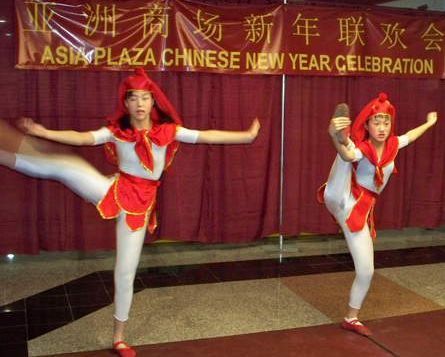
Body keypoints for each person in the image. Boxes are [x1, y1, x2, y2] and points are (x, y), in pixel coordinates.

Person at [0, 67, 260, 357]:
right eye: (133, 98)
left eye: (145, 98)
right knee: (63, 166)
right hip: (111, 190)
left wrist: (246, 136)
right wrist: (42, 131)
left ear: (153, 102)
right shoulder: (118, 132)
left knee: (125, 273)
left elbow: (207, 135)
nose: (139, 104)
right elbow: (84, 138)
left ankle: (118, 338)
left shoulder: (168, 132)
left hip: (139, 208)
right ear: (125, 104)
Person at [318, 93, 437, 336]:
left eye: (386, 123)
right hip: (342, 197)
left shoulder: (393, 145)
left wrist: (429, 123)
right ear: (366, 125)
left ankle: (351, 318)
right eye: (376, 123)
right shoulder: (364, 149)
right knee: (347, 154)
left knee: (366, 270)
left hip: (361, 211)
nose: (382, 128)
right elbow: (349, 157)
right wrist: (335, 138)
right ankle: (343, 138)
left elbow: (410, 136)